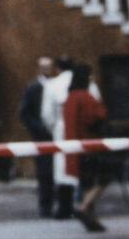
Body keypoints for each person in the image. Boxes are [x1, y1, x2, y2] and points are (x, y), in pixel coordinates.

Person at [40, 55, 98, 219]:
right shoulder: (88, 83)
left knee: (63, 168)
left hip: (62, 128)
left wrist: (54, 128)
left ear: (57, 68)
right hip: (85, 129)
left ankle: (64, 208)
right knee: (85, 166)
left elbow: (47, 114)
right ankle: (86, 203)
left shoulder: (52, 85)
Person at [62, 64, 110, 233]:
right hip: (90, 145)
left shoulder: (70, 97)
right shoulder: (86, 97)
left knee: (87, 183)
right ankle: (83, 207)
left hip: (75, 148)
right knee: (104, 178)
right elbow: (97, 118)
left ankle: (93, 218)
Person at [18, 56, 57, 217]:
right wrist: (39, 128)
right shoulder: (33, 87)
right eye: (43, 67)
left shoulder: (58, 85)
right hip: (42, 136)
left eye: (49, 67)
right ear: (39, 69)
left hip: (57, 133)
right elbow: (24, 113)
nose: (47, 70)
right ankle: (45, 205)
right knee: (45, 171)